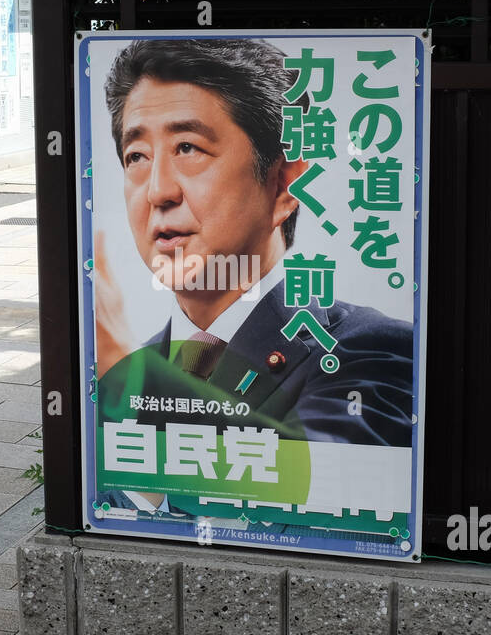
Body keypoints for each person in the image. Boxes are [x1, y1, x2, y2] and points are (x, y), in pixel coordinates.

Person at [92, 39, 414, 518]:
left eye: (188, 147)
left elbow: (321, 496)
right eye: (136, 156)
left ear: (284, 185)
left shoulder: (370, 349)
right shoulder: (124, 369)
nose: (157, 190)